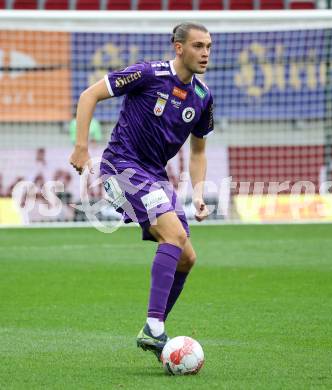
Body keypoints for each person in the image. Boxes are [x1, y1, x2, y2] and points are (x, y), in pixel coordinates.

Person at [69, 22, 213, 361]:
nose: (205, 53)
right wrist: (80, 147)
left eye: (208, 46)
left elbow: (198, 152)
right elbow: (89, 95)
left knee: (188, 257)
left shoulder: (203, 97)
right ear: (179, 48)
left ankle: (154, 329)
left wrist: (200, 193)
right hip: (121, 165)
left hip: (154, 176)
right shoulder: (148, 74)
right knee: (174, 237)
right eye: (197, 46)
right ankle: (154, 329)